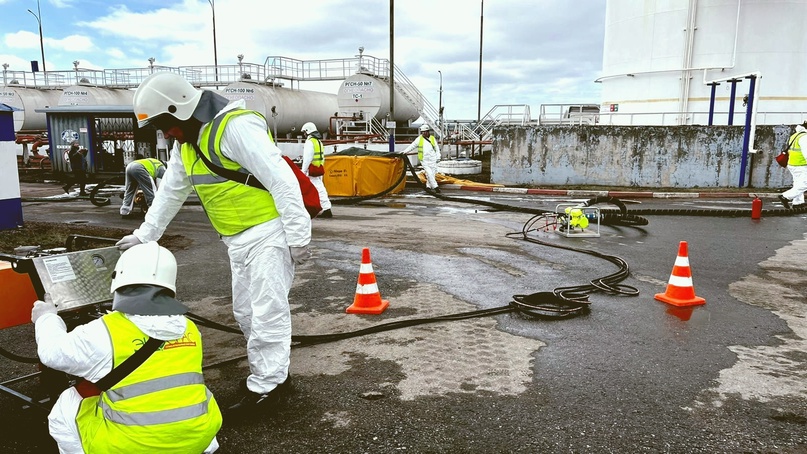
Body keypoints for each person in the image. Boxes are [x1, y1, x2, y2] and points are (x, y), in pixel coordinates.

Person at [117, 72, 312, 416]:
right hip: (236, 239)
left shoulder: (235, 128)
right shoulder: (187, 144)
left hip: (269, 233)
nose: (167, 134)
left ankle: (268, 387)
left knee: (267, 313)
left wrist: (298, 237)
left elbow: (282, 181)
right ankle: (272, 374)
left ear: (181, 110)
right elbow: (170, 192)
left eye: (167, 125)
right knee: (246, 312)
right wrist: (144, 236)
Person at [31, 242, 222, 453]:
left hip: (133, 446)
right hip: (201, 434)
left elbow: (52, 353)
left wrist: (46, 317)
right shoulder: (189, 327)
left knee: (66, 404)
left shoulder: (105, 332)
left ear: (119, 276)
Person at [301, 122, 333, 218]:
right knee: (320, 188)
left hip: (311, 171)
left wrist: (303, 172)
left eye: (304, 132)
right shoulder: (318, 142)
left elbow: (307, 159)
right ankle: (323, 208)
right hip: (318, 169)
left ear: (308, 131)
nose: (304, 134)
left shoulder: (310, 142)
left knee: (318, 189)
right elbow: (322, 157)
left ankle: (326, 209)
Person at [403, 124, 441, 193]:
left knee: (431, 174)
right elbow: (412, 146)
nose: (424, 133)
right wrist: (404, 152)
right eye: (422, 132)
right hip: (424, 160)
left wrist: (438, 157)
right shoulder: (419, 139)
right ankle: (436, 187)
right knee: (429, 173)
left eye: (425, 131)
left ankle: (428, 187)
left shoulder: (432, 138)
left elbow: (437, 148)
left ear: (428, 131)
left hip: (432, 159)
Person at [779, 121, 807, 209]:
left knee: (798, 183)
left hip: (793, 163)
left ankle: (798, 203)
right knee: (804, 184)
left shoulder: (795, 135)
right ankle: (786, 196)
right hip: (801, 164)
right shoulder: (804, 137)